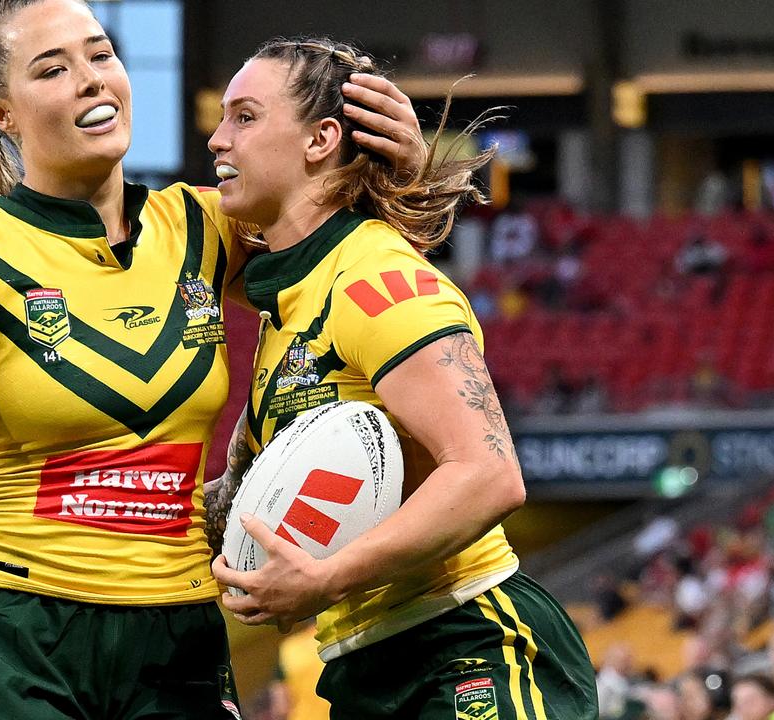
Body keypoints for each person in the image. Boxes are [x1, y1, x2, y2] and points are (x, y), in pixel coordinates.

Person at [0, 1, 425, 717]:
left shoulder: (206, 226)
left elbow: (352, 279)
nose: (92, 80)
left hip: (179, 638)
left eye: (101, 55)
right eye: (54, 69)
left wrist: (394, 169)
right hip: (14, 639)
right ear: (4, 114)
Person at [205, 39, 598, 718]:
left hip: (469, 644)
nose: (217, 139)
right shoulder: (292, 290)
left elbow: (489, 474)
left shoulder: (380, 280)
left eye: (244, 117)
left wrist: (324, 579)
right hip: (367, 663)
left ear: (320, 139)